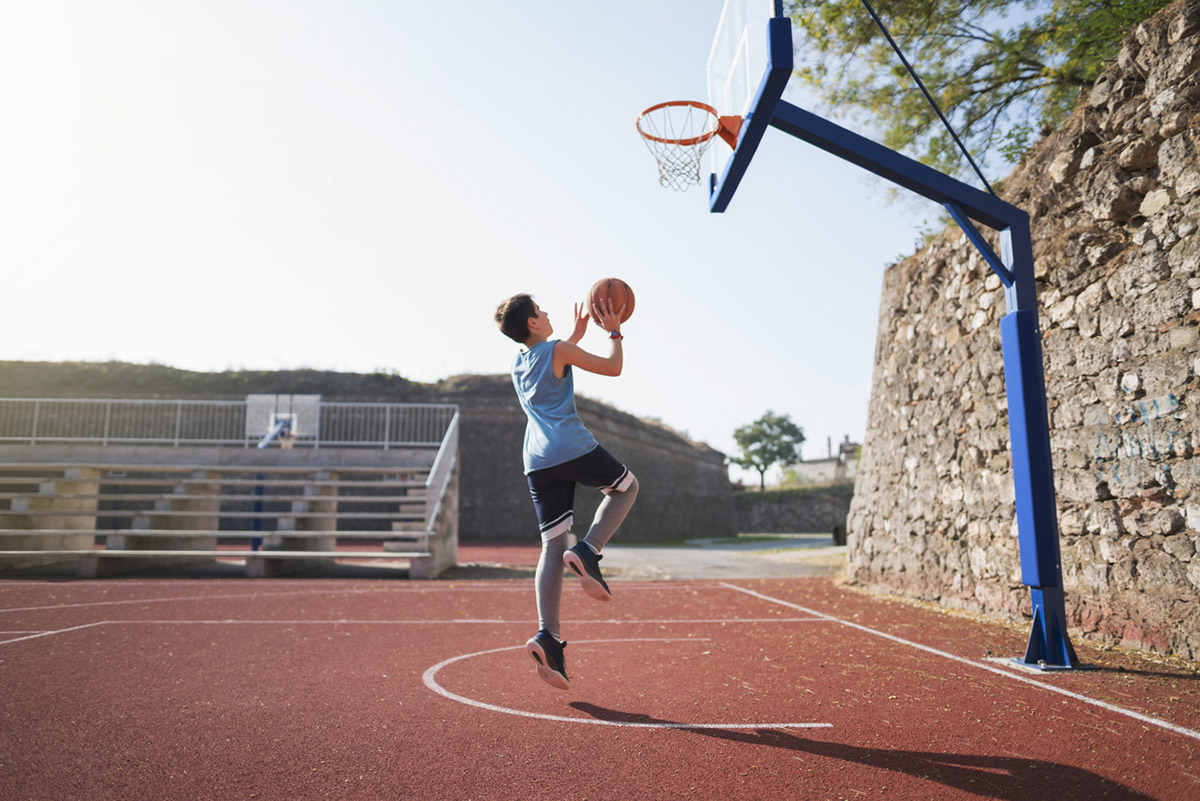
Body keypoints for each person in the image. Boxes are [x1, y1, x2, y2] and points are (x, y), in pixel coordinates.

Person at [494, 293, 640, 690]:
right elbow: (613, 368)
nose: (547, 313)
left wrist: (573, 337)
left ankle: (548, 638)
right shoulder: (558, 350)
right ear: (532, 323)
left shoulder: (518, 362)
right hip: (570, 446)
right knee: (627, 488)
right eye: (541, 311)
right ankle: (590, 550)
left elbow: (551, 366)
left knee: (552, 547)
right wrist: (614, 330)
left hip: (537, 462)